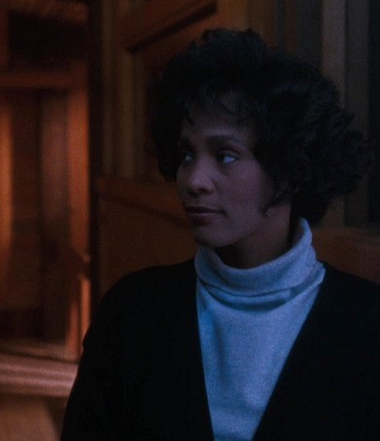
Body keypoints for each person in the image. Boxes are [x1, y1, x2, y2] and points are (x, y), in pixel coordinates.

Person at [61, 28, 379, 440]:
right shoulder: (132, 312)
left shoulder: (365, 324)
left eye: (225, 156)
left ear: (290, 168)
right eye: (187, 154)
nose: (194, 180)